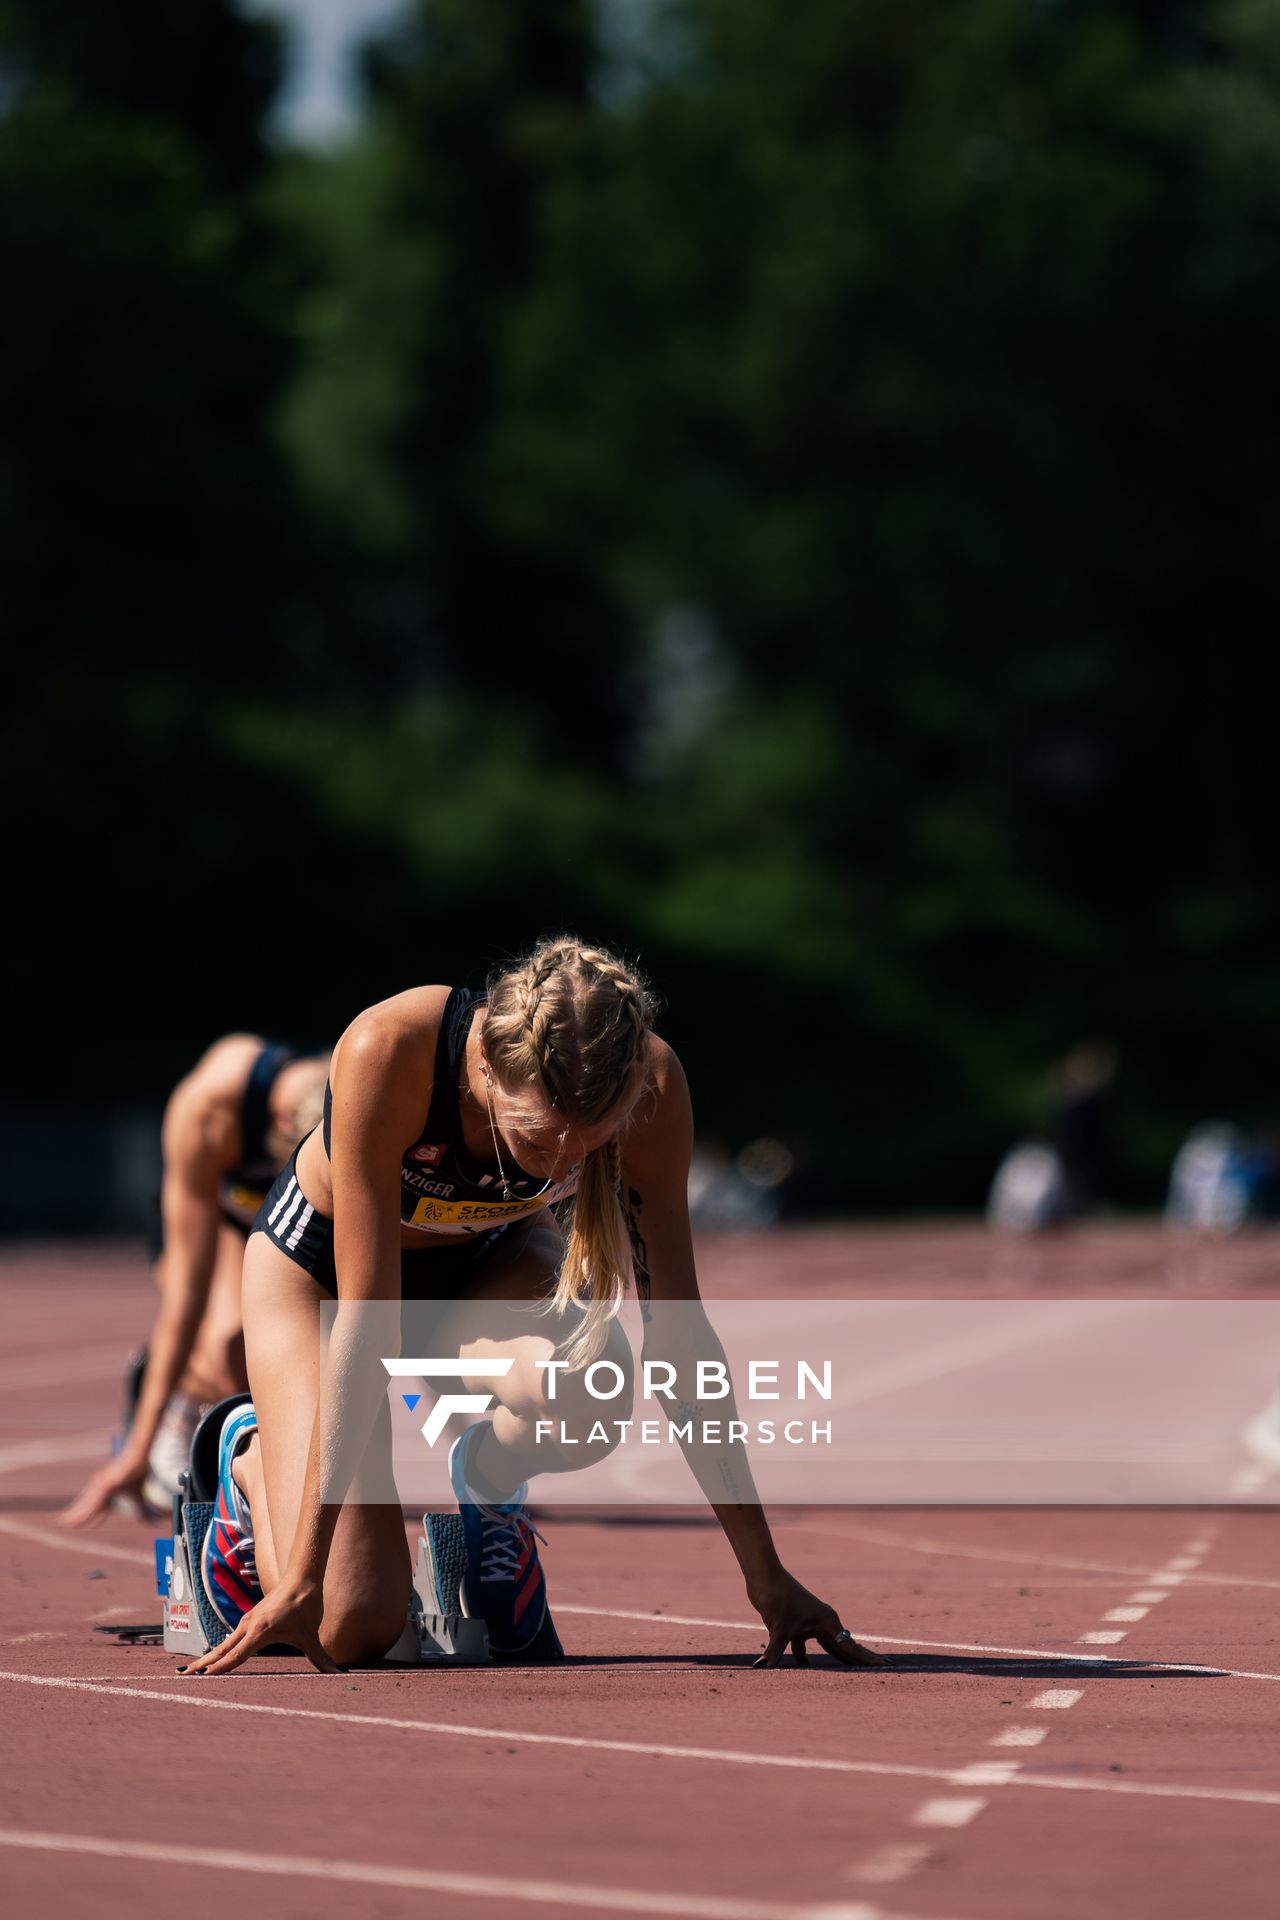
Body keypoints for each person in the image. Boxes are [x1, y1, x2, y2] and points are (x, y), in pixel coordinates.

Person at [180, 938, 884, 1674]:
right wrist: (300, 1579)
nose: (565, 1165)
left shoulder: (651, 1082)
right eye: (541, 1139)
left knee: (590, 1382)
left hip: (489, 1266)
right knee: (351, 1621)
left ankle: (486, 1484)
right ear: (486, 1063)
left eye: (589, 1146)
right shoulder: (388, 1049)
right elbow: (368, 1324)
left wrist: (766, 1578)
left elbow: (682, 1341)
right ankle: (248, 1457)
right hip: (325, 1281)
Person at [60, 1035, 328, 1526]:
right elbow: (188, 1294)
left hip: (272, 1218)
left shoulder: (340, 1091)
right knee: (229, 1345)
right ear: (285, 1130)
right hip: (214, 1216)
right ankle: (169, 1399)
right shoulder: (208, 1112)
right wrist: (137, 1454)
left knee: (278, 1352)